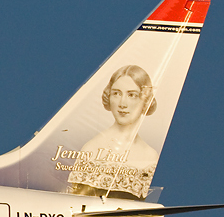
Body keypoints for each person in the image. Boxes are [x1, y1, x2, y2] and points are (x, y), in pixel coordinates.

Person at [67, 64, 158, 199]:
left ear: (144, 100)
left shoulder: (151, 156)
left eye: (132, 95)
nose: (122, 103)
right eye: (116, 93)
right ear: (108, 97)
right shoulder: (91, 149)